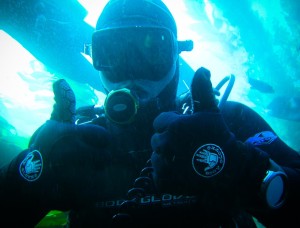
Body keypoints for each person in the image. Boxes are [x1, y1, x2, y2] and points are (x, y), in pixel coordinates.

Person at [1, 0, 300, 227]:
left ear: (176, 55)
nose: (131, 71)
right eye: (112, 54)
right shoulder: (71, 144)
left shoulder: (230, 124)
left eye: (151, 51)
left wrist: (245, 170)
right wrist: (28, 173)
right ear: (94, 57)